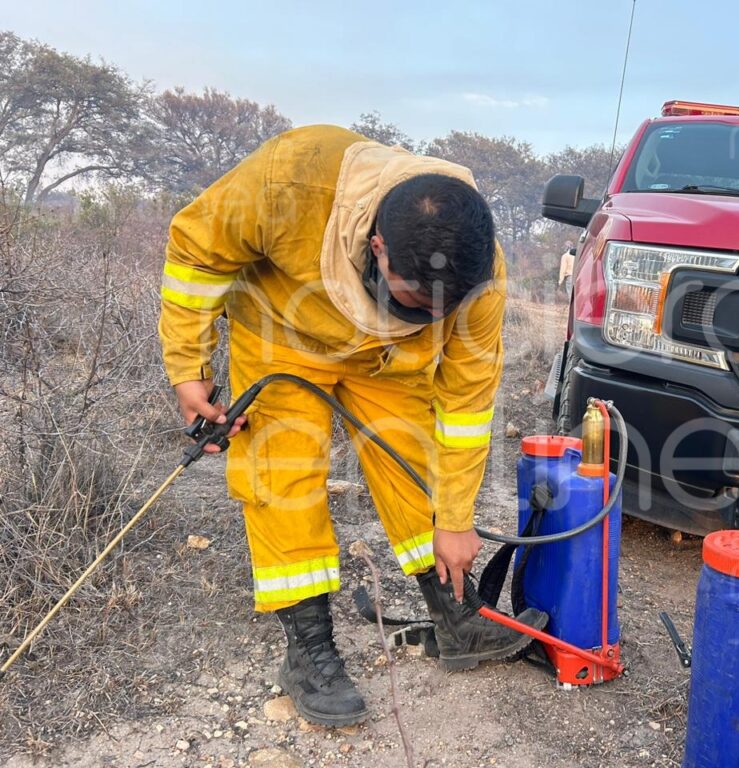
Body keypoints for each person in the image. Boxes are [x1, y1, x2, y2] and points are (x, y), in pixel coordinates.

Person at [158, 125, 548, 727]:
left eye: (440, 310)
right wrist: (189, 368)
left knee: (412, 459)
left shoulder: (481, 272)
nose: (431, 315)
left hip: (388, 364)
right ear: (378, 245)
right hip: (282, 336)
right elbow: (196, 253)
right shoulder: (288, 181)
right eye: (415, 302)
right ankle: (309, 653)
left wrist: (457, 520)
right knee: (282, 479)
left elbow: (466, 410)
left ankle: (455, 618)